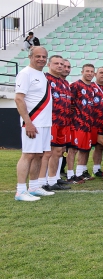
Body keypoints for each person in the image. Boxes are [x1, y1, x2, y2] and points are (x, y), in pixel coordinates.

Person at [14, 46, 54, 201]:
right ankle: (20, 191)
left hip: (44, 124)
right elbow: (19, 99)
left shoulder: (42, 75)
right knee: (28, 155)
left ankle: (34, 186)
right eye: (38, 56)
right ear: (30, 56)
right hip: (32, 123)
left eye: (44, 57)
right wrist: (28, 122)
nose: (41, 59)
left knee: (39, 155)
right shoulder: (25, 74)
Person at [44, 55, 71, 191]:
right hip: (51, 122)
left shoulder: (64, 83)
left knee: (59, 151)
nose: (60, 66)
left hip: (63, 122)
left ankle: (54, 179)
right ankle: (45, 181)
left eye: (62, 64)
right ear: (49, 65)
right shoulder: (45, 79)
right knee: (49, 152)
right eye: (57, 64)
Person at [67, 63, 95, 182]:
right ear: (82, 72)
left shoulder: (92, 87)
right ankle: (69, 174)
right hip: (77, 123)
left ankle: (79, 173)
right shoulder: (75, 85)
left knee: (85, 149)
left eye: (91, 71)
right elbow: (68, 103)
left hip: (87, 124)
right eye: (87, 71)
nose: (89, 73)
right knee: (73, 149)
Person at [90, 67, 103, 177]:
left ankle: (101, 168)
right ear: (95, 74)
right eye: (101, 73)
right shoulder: (91, 87)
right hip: (93, 123)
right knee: (88, 147)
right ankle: (89, 169)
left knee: (101, 146)